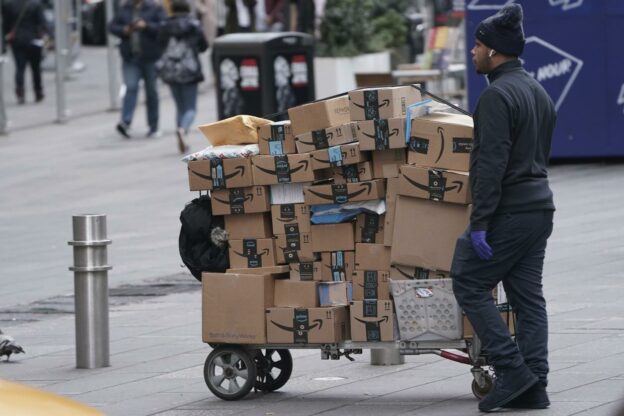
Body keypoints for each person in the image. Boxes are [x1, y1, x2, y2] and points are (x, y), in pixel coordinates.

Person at [450, 3, 556, 413]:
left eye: (477, 46)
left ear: (494, 51)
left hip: (510, 211)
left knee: (468, 281)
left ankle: (512, 371)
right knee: (529, 299)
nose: (472, 52)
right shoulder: (537, 91)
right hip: (539, 209)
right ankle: (536, 385)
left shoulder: (497, 96)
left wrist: (479, 223)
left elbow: (491, 167)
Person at [109, 0, 167, 139]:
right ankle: (125, 122)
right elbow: (112, 26)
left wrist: (146, 26)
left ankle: (153, 126)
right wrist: (124, 30)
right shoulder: (125, 8)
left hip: (150, 58)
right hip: (130, 57)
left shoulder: (155, 8)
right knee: (130, 87)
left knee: (151, 92)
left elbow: (163, 28)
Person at [158, 0, 208, 153]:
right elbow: (203, 45)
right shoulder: (193, 24)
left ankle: (182, 137)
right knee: (190, 107)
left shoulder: (165, 25)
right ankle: (183, 129)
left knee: (179, 106)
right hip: (189, 68)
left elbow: (159, 43)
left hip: (171, 69)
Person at [2, 0, 48, 104]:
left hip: (17, 40)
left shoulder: (9, 4)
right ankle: (38, 91)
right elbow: (42, 23)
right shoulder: (36, 4)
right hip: (34, 40)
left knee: (20, 68)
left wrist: (4, 44)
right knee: (36, 68)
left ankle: (20, 93)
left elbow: (5, 25)